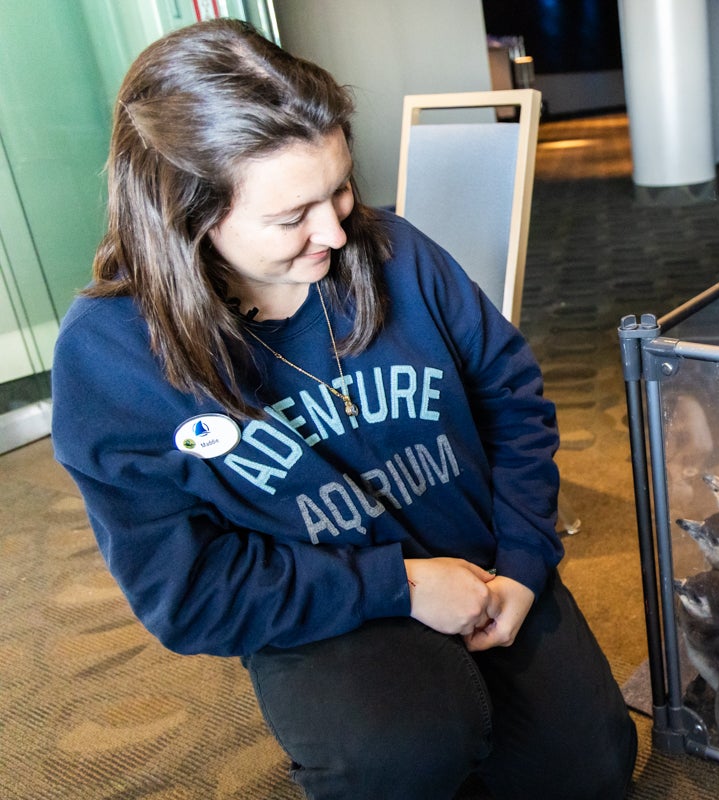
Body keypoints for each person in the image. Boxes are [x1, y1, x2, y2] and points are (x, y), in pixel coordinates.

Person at [51, 18, 636, 800]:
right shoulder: (110, 356)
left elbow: (512, 399)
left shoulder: (395, 250)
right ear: (186, 216)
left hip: (485, 565)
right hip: (325, 604)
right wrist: (398, 587)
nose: (334, 230)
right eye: (292, 217)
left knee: (591, 770)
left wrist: (526, 565)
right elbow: (184, 593)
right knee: (405, 756)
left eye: (340, 189)